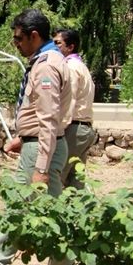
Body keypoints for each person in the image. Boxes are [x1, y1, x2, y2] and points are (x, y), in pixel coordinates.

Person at [0, 9, 81, 265]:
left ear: (35, 36)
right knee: (29, 208)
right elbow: (46, 114)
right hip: (40, 144)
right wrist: (23, 137)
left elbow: (48, 119)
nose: (15, 43)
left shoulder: (45, 66)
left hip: (43, 148)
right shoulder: (50, 60)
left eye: (19, 38)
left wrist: (41, 165)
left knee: (33, 210)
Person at [53, 29, 96, 189]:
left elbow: (68, 100)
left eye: (58, 43)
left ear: (70, 47)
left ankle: (51, 213)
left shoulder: (70, 67)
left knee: (55, 176)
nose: (54, 46)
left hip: (73, 129)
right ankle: (77, 213)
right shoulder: (81, 66)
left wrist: (60, 127)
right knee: (76, 182)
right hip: (84, 130)